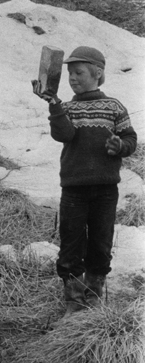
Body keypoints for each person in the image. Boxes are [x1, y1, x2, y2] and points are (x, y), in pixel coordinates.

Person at [33, 45, 137, 315]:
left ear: (98, 73)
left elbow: (130, 138)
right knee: (71, 243)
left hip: (105, 190)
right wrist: (54, 103)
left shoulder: (113, 106)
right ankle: (73, 302)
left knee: (101, 244)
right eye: (69, 74)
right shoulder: (66, 108)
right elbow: (64, 135)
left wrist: (120, 146)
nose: (73, 78)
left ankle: (92, 298)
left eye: (79, 72)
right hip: (74, 191)